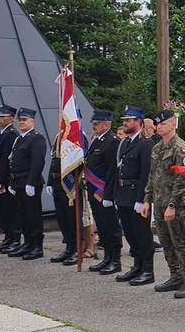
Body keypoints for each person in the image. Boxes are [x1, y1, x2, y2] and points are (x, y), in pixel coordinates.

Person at [142, 109, 185, 297]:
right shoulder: (157, 148)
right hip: (159, 203)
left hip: (176, 205)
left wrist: (172, 205)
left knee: (180, 243)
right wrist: (147, 200)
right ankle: (176, 276)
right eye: (157, 124)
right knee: (166, 242)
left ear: (173, 125)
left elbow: (182, 180)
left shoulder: (180, 148)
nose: (159, 127)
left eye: (163, 124)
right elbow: (152, 176)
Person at [115, 106, 156, 285]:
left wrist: (142, 199)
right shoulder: (125, 143)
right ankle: (137, 265)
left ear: (139, 122)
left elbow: (146, 174)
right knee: (130, 234)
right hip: (124, 194)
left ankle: (148, 269)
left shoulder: (146, 144)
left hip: (136, 194)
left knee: (142, 234)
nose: (124, 123)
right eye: (124, 120)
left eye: (128, 120)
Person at [84, 111, 122, 276]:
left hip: (104, 190)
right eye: (94, 123)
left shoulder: (112, 142)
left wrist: (108, 195)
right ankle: (107, 258)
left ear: (107, 124)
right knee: (102, 225)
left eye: (98, 123)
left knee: (111, 225)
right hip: (94, 190)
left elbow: (112, 171)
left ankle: (115, 260)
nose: (94, 125)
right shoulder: (96, 140)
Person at [7, 107, 47, 260]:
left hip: (30, 182)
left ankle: (37, 246)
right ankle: (28, 243)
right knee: (23, 215)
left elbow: (37, 162)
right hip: (18, 181)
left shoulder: (36, 138)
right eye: (20, 120)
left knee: (33, 216)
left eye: (25, 120)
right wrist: (12, 182)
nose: (22, 122)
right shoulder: (19, 138)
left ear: (32, 122)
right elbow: (13, 161)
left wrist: (31, 182)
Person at [0, 104, 21, 253]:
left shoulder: (11, 134)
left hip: (6, 179)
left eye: (2, 117)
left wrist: (0, 180)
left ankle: (14, 239)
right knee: (2, 210)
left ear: (10, 119)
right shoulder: (1, 134)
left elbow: (5, 161)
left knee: (10, 210)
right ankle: (7, 237)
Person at [46, 134, 80, 266]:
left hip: (69, 185)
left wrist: (77, 183)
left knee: (72, 219)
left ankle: (76, 249)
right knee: (62, 218)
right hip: (56, 182)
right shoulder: (58, 136)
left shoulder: (77, 135)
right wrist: (49, 181)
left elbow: (79, 162)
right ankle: (68, 248)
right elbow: (54, 159)